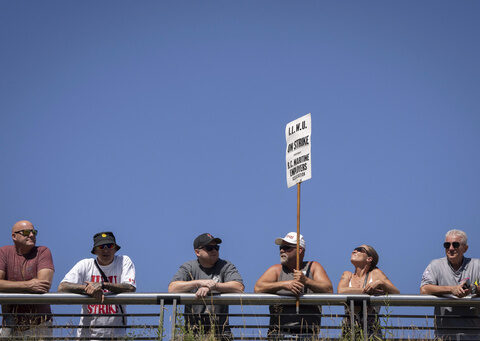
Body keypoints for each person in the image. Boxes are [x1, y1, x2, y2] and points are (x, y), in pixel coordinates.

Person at [58, 231, 136, 340]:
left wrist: (102, 285)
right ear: (95, 251)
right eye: (101, 247)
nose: (106, 250)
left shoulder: (124, 261)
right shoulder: (85, 265)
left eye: (110, 245)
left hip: (116, 335)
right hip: (86, 336)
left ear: (115, 248)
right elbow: (62, 287)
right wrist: (89, 289)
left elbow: (130, 287)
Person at [254, 232, 333, 339]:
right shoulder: (276, 270)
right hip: (279, 333)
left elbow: (328, 290)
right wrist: (284, 284)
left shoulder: (313, 267)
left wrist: (306, 281)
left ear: (300, 250)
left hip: (308, 333)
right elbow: (258, 288)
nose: (282, 250)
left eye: (287, 248)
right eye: (281, 248)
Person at [168, 233, 244, 340]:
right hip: (192, 333)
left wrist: (214, 286)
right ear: (197, 252)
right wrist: (199, 283)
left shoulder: (226, 266)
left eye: (216, 247)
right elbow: (172, 288)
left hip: (221, 333)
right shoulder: (189, 267)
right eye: (209, 248)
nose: (214, 251)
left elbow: (239, 287)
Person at [420, 229, 480, 340]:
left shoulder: (477, 265)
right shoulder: (435, 265)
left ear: (465, 248)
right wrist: (451, 289)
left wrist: (473, 289)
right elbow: (424, 289)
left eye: (455, 244)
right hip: (444, 336)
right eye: (447, 245)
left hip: (473, 336)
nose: (451, 248)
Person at [0, 220, 54, 339]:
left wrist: (8, 286)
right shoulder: (4, 252)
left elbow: (43, 286)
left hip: (40, 324)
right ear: (14, 236)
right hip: (10, 324)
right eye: (25, 232)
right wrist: (28, 285)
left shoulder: (43, 252)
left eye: (34, 232)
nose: (31, 235)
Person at [337, 244, 399, 340]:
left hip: (372, 329)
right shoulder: (347, 274)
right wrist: (368, 291)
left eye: (359, 250)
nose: (354, 251)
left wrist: (381, 283)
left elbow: (396, 293)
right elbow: (341, 291)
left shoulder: (375, 273)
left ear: (369, 259)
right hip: (349, 328)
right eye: (354, 249)